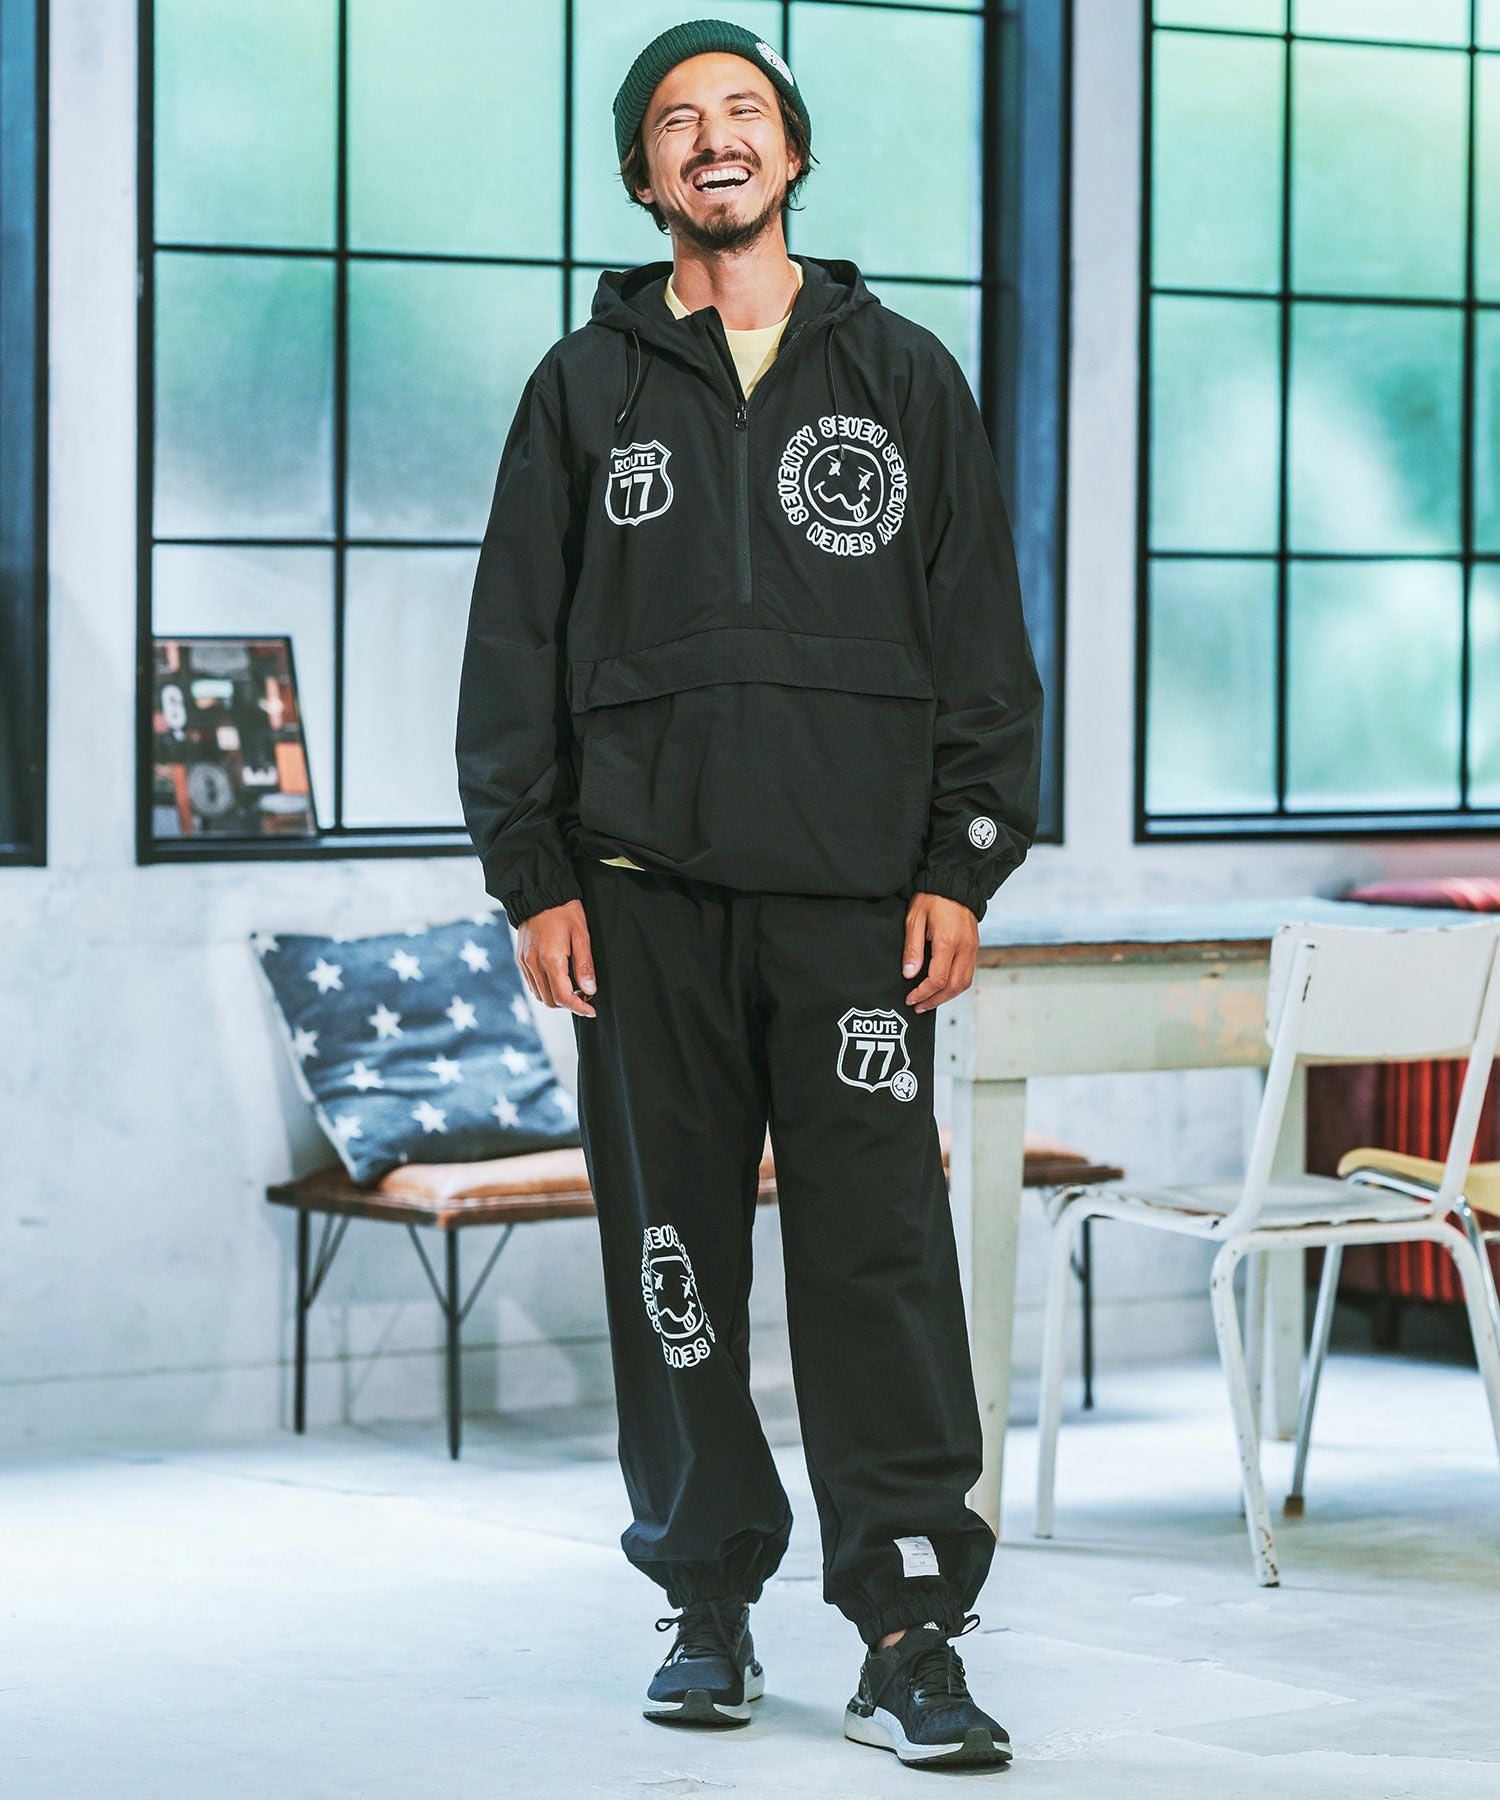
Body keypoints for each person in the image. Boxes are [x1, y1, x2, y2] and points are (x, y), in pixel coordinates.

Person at [456, 17, 1043, 1772]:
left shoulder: (906, 375)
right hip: (640, 903)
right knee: (673, 1259)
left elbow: (979, 637)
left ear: (791, 152)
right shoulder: (585, 389)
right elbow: (514, 646)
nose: (713, 137)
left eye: (744, 111)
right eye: (676, 121)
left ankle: (908, 1625)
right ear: (644, 175)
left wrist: (963, 861)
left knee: (880, 1261)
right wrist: (533, 875)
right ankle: (705, 1596)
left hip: (856, 910)